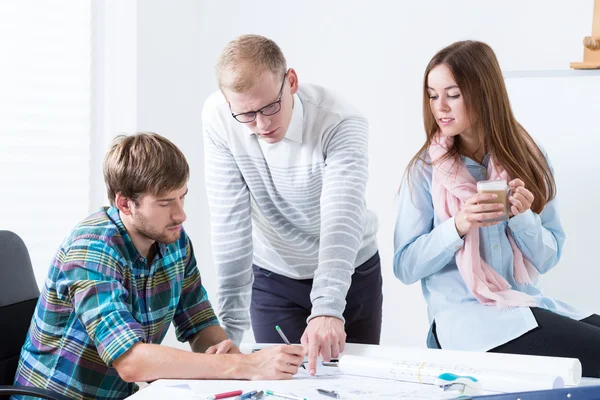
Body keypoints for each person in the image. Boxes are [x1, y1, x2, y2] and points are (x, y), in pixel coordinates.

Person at [13, 132, 303, 400]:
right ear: (125, 204)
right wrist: (241, 365)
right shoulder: (92, 250)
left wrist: (240, 361)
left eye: (182, 196)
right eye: (165, 203)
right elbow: (130, 361)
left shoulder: (172, 239)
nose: (181, 214)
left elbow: (200, 324)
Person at [393, 40, 600, 377]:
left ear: (483, 93)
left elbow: (548, 257)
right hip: (469, 326)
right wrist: (457, 225)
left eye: (453, 94)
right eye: (433, 95)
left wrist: (523, 219)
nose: (440, 107)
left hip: (524, 305)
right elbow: (405, 265)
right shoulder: (425, 170)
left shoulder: (530, 157)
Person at [202, 34, 381, 374]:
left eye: (270, 106)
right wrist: (229, 329)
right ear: (228, 105)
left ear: (292, 82)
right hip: (275, 276)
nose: (262, 124)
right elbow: (230, 225)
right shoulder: (218, 119)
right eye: (247, 114)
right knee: (281, 385)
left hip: (350, 270)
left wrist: (328, 309)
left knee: (354, 384)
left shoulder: (341, 121)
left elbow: (340, 219)